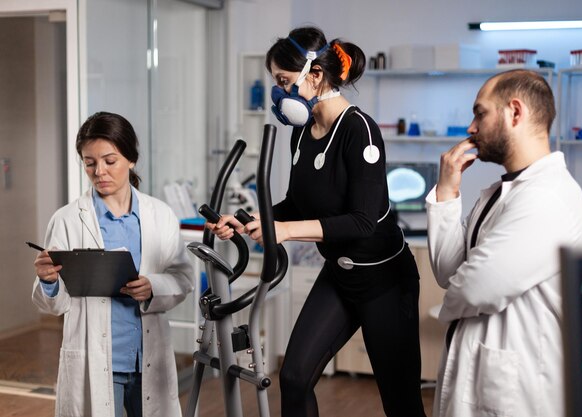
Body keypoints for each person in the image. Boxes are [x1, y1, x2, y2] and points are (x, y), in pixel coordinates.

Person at [209, 26, 427, 417]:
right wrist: (252, 220)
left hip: (384, 282)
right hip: (340, 277)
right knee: (293, 378)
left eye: (283, 81)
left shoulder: (359, 130)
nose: (279, 93)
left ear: (315, 75)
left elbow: (362, 222)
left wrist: (284, 231)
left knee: (401, 402)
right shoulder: (302, 133)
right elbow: (297, 203)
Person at [426, 69, 582, 417]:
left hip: (518, 393)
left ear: (515, 112)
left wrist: (453, 299)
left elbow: (474, 289)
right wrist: (446, 191)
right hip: (478, 379)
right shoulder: (499, 194)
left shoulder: (548, 196)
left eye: (480, 113)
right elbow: (448, 272)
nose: (471, 128)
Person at [31, 112, 194, 417]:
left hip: (148, 355)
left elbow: (183, 278)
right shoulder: (67, 219)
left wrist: (152, 286)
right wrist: (49, 281)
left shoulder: (160, 215)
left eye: (109, 161)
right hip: (96, 356)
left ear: (131, 159)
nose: (99, 171)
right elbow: (54, 305)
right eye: (89, 162)